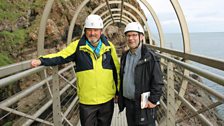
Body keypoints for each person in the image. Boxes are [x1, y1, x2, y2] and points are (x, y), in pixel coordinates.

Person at [31, 14, 120, 126]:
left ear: (101, 31)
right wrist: (42, 60)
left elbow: (116, 70)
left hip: (107, 99)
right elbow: (61, 56)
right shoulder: (77, 46)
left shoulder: (109, 47)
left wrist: (118, 92)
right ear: (85, 31)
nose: (92, 33)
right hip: (87, 101)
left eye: (95, 30)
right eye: (89, 30)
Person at [118, 22, 164, 126]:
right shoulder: (125, 56)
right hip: (129, 103)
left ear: (141, 37)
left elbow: (158, 81)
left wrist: (153, 100)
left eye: (134, 35)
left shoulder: (150, 57)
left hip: (144, 105)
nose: (131, 38)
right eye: (128, 35)